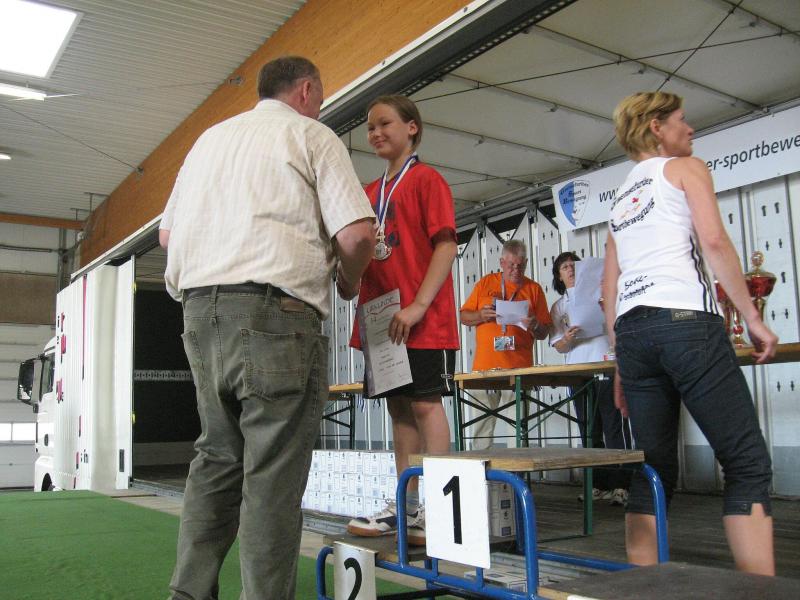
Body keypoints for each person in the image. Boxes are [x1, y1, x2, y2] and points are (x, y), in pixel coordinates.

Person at [159, 56, 376, 600]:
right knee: (272, 477)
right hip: (274, 314)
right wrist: (348, 281)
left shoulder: (207, 141)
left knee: (216, 460)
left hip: (199, 314)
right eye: (319, 96)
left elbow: (166, 235)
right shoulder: (310, 135)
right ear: (305, 90)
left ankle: (188, 593)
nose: (319, 106)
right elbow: (357, 235)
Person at [603, 91, 778, 575]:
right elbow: (714, 241)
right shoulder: (686, 168)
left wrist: (621, 364)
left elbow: (609, 288)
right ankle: (760, 591)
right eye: (682, 119)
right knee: (745, 462)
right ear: (656, 127)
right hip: (687, 324)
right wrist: (752, 317)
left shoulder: (620, 201)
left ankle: (643, 586)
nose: (691, 128)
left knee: (653, 469)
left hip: (633, 335)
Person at [345, 95, 459, 546]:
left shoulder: (428, 180)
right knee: (399, 409)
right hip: (382, 321)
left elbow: (446, 246)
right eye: (370, 127)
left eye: (385, 123)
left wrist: (418, 306)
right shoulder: (368, 193)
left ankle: (440, 509)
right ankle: (405, 506)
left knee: (427, 405)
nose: (375, 133)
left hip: (421, 319)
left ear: (412, 127)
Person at [550, 251, 630, 506]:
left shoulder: (600, 294)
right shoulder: (559, 306)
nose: (570, 269)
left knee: (614, 427)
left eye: (574, 264)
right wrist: (567, 339)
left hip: (605, 364)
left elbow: (617, 322)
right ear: (559, 276)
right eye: (564, 267)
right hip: (577, 371)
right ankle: (598, 484)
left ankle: (622, 485)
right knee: (589, 430)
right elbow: (558, 345)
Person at [459, 239, 552, 449]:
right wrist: (480, 315)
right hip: (485, 369)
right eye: (511, 265)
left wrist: (535, 325)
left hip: (519, 370)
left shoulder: (534, 289)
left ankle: (517, 469)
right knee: (482, 429)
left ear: (526, 263)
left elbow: (544, 332)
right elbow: (464, 317)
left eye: (520, 265)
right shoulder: (485, 283)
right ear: (501, 263)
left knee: (518, 429)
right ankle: (481, 469)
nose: (515, 270)